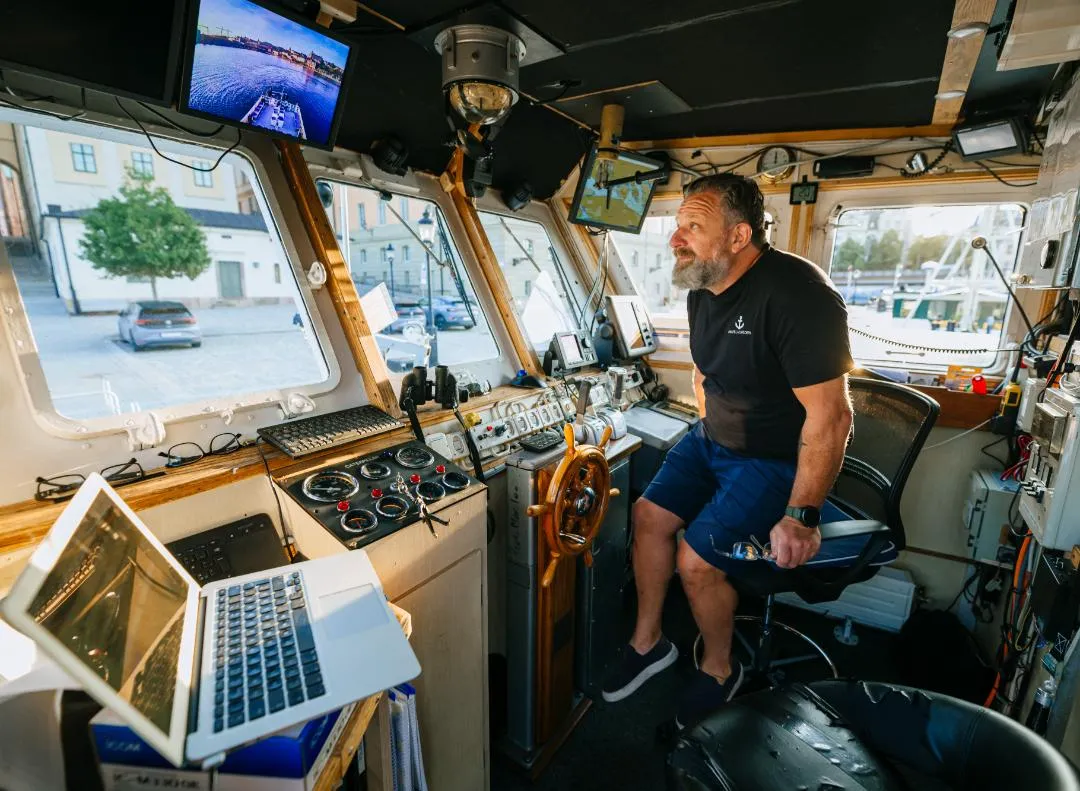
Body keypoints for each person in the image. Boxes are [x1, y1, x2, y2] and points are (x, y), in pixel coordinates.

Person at [601, 174, 854, 727]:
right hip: (712, 440)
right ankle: (649, 644)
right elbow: (704, 370)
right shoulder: (703, 287)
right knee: (647, 516)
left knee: (696, 560)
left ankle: (719, 668)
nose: (676, 239)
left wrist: (802, 515)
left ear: (739, 237)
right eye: (677, 226)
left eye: (694, 225)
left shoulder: (798, 295)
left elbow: (832, 417)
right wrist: (707, 428)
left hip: (773, 457)